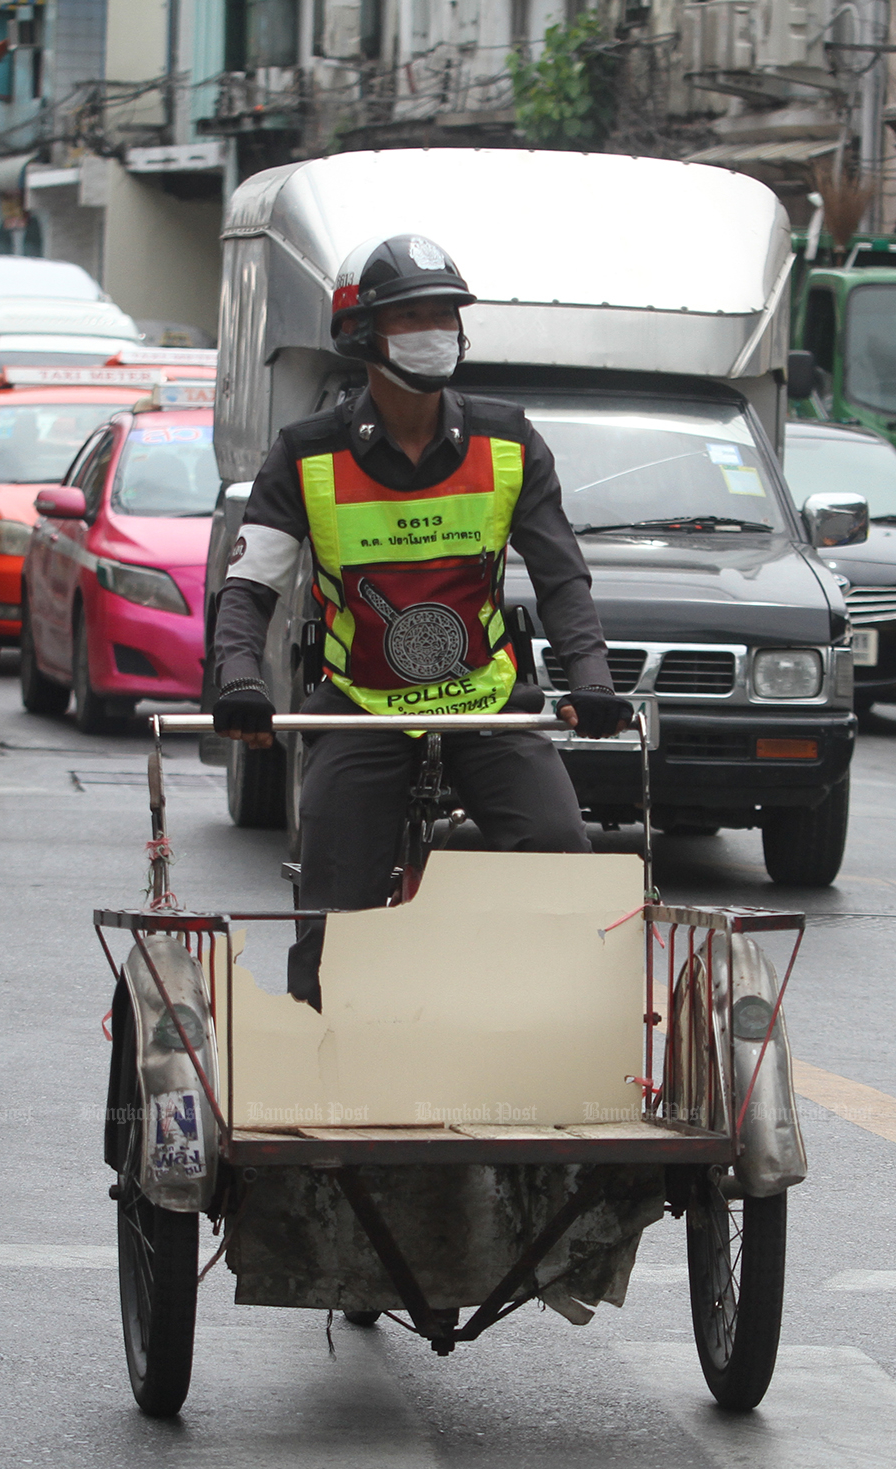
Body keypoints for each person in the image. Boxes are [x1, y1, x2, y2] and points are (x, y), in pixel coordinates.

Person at [210, 233, 633, 1007]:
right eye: (411, 317)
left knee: (561, 855)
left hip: (486, 702)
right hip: (360, 707)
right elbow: (249, 588)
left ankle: (550, 1028)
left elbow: (562, 577)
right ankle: (319, 1044)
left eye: (445, 315)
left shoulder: (509, 442)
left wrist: (592, 678)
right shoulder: (305, 454)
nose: (435, 332)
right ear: (361, 333)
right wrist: (238, 675)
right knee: (334, 905)